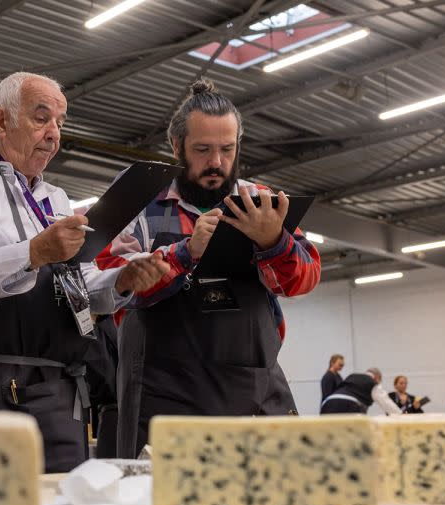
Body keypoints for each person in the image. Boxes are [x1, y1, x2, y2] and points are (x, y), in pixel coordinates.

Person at [0, 72, 171, 473]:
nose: (54, 133)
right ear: (2, 121)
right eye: (42, 118)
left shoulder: (56, 199)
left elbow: (79, 285)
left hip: (63, 389)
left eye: (60, 122)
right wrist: (33, 252)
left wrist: (122, 280)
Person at [95, 79, 321, 458]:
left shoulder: (258, 201)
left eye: (227, 150)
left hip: (255, 390)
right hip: (164, 395)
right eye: (202, 150)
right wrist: (186, 252)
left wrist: (274, 242)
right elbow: (109, 280)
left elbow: (306, 277)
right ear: (176, 146)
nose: (216, 163)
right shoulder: (139, 198)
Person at [320, 367, 401, 415]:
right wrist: (402, 416)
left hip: (327, 403)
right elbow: (387, 403)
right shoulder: (372, 383)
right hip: (348, 405)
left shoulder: (351, 376)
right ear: (377, 378)